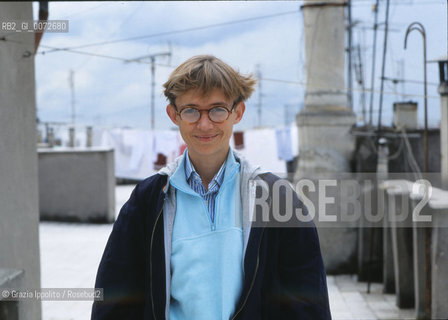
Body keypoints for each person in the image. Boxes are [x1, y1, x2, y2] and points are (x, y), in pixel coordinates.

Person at [91, 55, 331, 320]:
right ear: (174, 115)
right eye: (191, 110)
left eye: (217, 110)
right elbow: (116, 297)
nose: (204, 124)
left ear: (238, 112)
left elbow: (307, 301)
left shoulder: (277, 199)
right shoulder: (147, 201)